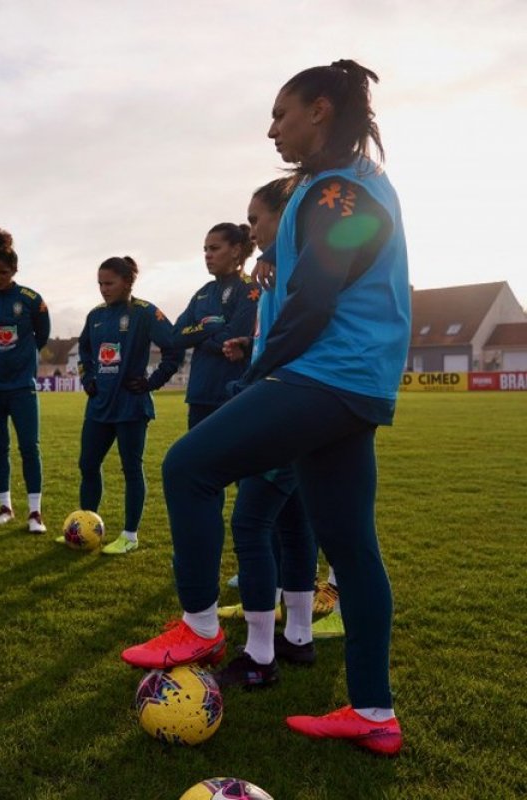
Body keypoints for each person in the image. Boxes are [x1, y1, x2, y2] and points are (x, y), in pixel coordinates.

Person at [121, 60, 410, 756]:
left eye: (280, 114)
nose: (270, 128)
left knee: (189, 466)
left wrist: (261, 374)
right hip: (349, 385)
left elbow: (314, 297)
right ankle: (374, 711)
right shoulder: (334, 186)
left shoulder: (344, 192)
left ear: (318, 109)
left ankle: (198, 627)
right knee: (350, 546)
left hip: (324, 375)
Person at [211, 178, 325, 689]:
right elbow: (278, 334)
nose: (251, 230)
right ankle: (298, 638)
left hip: (286, 405)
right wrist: (249, 345)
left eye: (256, 219)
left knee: (251, 521)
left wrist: (253, 380)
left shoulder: (287, 268)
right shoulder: (283, 268)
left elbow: (297, 335)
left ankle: (259, 654)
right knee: (294, 524)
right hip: (306, 407)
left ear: (288, 213)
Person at [66, 256, 183, 555]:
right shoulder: (95, 315)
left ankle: (130, 535)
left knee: (131, 468)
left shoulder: (144, 312)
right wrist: (88, 376)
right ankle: (83, 525)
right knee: (88, 464)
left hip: (131, 406)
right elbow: (85, 351)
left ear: (127, 281)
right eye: (100, 284)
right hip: (99, 405)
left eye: (109, 283)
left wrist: (152, 382)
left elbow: (173, 348)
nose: (103, 289)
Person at [0, 228, 51, 533]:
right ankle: (5, 507)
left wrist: (21, 360)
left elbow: (41, 335)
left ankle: (35, 513)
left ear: (14, 270)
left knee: (30, 446)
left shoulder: (30, 300)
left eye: (3, 272)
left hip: (21, 386)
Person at [171, 223, 259, 429]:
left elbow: (232, 340)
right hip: (200, 394)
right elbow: (175, 336)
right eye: (205, 250)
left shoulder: (249, 288)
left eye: (214, 248)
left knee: (234, 460)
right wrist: (209, 327)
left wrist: (197, 336)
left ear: (235, 250)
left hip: (233, 393)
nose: (207, 255)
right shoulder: (203, 292)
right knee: (198, 460)